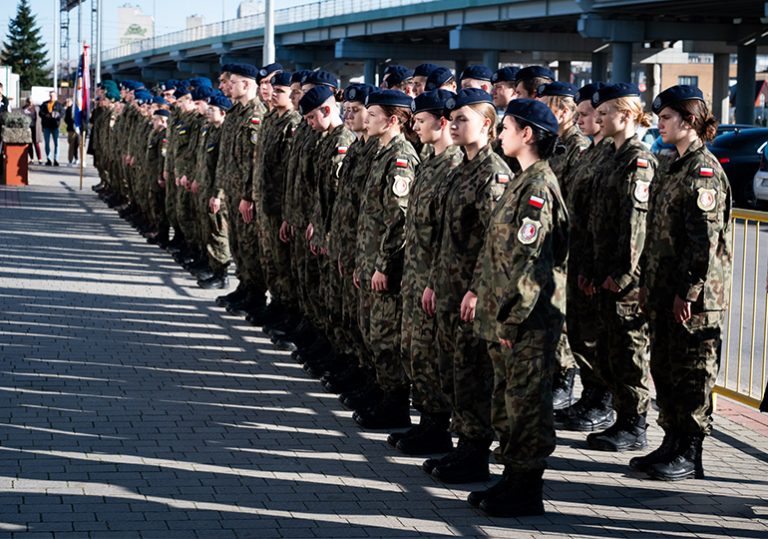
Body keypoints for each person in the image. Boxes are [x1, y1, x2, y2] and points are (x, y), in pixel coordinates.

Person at [468, 98, 568, 517]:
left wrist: (510, 319)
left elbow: (530, 264)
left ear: (527, 134)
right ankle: (511, 479)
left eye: (506, 127)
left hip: (527, 322)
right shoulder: (520, 179)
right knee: (508, 401)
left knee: (526, 403)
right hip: (507, 317)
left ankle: (527, 488)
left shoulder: (538, 188)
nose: (500, 134)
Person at [633, 85, 731, 481]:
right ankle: (672, 440)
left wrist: (687, 291)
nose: (660, 124)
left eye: (668, 117)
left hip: (694, 298)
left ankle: (690, 451)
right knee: (667, 368)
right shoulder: (671, 165)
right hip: (665, 290)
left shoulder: (703, 172)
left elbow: (703, 245)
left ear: (689, 122)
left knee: (693, 372)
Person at [423, 88, 511, 483]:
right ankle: (462, 445)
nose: (454, 125)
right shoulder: (461, 168)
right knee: (452, 371)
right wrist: (431, 283)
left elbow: (495, 241)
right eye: (453, 119)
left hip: (471, 295)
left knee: (473, 374)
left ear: (487, 125)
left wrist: (477, 290)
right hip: (447, 288)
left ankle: (476, 452)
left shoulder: (494, 173)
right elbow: (444, 236)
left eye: (463, 119)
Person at [584, 83, 656, 452]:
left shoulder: (637, 160)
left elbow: (635, 226)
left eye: (605, 113)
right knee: (611, 348)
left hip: (623, 280)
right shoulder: (610, 156)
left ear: (626, 115)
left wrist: (623, 274)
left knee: (629, 350)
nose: (598, 118)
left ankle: (634, 423)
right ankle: (619, 417)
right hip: (603, 272)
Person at [391, 89, 463, 455]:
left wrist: (434, 281)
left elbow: (447, 236)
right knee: (415, 352)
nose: (414, 126)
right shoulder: (429, 161)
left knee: (431, 355)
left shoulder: (453, 166)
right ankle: (427, 423)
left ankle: (437, 426)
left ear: (442, 122)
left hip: (436, 280)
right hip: (417, 274)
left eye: (421, 120)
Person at [352, 89, 419, 429]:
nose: (368, 119)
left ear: (393, 120)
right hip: (368, 258)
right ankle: (380, 392)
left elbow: (399, 219)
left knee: (385, 335)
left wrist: (383, 266)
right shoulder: (379, 152)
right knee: (371, 331)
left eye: (374, 114)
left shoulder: (400, 157)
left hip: (384, 265)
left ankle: (395, 404)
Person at [555, 82, 618, 433]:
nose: (581, 120)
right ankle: (591, 396)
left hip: (602, 266)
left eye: (587, 114)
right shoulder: (590, 153)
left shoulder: (615, 155)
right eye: (578, 113)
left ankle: (608, 405)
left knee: (605, 340)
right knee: (582, 334)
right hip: (580, 258)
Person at [39, 90, 63, 166]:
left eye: (52, 96)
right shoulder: (44, 104)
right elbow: (40, 113)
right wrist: (46, 115)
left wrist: (57, 115)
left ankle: (56, 159)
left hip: (55, 126)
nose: (51, 97)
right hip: (46, 126)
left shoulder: (59, 104)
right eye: (50, 96)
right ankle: (48, 159)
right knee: (47, 143)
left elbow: (62, 113)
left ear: (55, 96)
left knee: (57, 143)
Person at [22, 97, 43, 164]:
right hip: (27, 128)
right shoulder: (24, 108)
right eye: (29, 102)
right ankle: (32, 159)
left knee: (36, 143)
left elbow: (39, 117)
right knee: (29, 144)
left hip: (35, 127)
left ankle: (40, 159)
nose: (30, 103)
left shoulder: (36, 108)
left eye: (31, 102)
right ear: (27, 102)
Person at [64, 97, 80, 166]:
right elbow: (66, 119)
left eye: (68, 102)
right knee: (73, 145)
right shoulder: (69, 109)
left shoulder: (75, 109)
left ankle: (74, 159)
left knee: (75, 145)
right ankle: (73, 159)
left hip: (76, 129)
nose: (67, 104)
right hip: (71, 129)